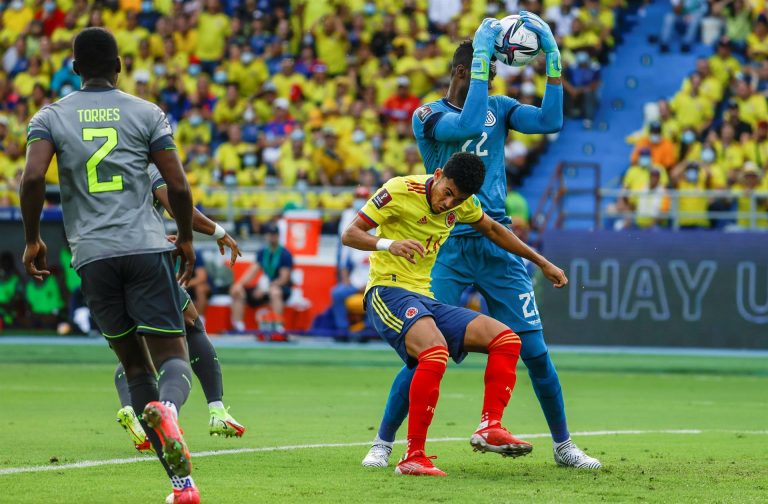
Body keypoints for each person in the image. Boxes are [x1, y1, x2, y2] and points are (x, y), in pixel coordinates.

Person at [363, 13, 602, 470]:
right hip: (445, 247)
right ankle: (384, 442)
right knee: (423, 351)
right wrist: (482, 53)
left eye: (490, 73)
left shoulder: (501, 106)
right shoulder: (428, 115)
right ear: (462, 72)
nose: (489, 80)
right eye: (483, 71)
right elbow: (470, 124)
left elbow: (550, 120)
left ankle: (564, 445)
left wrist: (552, 56)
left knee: (533, 351)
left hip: (497, 240)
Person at [20, 28, 200, 503]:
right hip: (143, 247)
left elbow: (34, 176)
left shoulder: (50, 116)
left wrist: (34, 238)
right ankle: (172, 411)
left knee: (135, 369)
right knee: (173, 357)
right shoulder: (146, 112)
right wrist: (184, 236)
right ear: (119, 66)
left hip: (92, 257)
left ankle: (182, 487)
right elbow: (177, 186)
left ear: (74, 68)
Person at [342, 152, 569, 476]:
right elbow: (349, 234)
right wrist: (388, 244)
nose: (449, 203)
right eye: (447, 192)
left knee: (506, 339)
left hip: (425, 298)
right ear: (437, 174)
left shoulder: (462, 204)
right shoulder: (398, 190)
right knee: (434, 353)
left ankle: (490, 426)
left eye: (458, 199)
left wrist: (542, 262)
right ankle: (412, 456)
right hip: (387, 291)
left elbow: (493, 229)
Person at [114, 164, 246, 462]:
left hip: (99, 264)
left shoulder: (95, 162)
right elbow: (177, 205)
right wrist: (219, 232)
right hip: (143, 263)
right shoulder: (144, 162)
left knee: (134, 346)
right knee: (191, 325)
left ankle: (131, 409)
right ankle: (216, 410)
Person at [230, 222, 293, 334]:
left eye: (274, 234)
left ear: (278, 236)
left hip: (280, 288)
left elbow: (284, 279)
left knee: (275, 292)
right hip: (264, 286)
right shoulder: (263, 252)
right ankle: (238, 326)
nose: (272, 237)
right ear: (266, 236)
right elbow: (252, 271)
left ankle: (277, 325)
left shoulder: (285, 254)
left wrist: (265, 288)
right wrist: (239, 284)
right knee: (237, 291)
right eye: (269, 234)